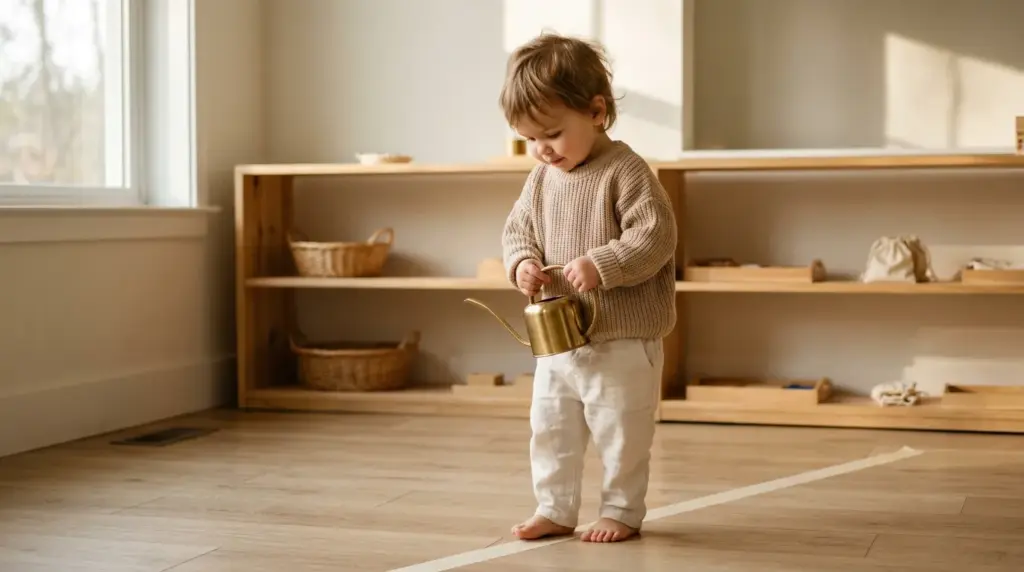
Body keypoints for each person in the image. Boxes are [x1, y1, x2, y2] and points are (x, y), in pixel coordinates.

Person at [499, 32, 677, 543]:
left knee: (623, 432)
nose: (541, 150)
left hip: (621, 340)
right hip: (558, 340)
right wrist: (522, 263)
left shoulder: (627, 172)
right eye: (529, 139)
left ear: (596, 112)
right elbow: (518, 230)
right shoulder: (540, 180)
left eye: (552, 134)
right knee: (551, 427)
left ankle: (621, 510)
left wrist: (604, 263)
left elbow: (656, 237)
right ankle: (555, 507)